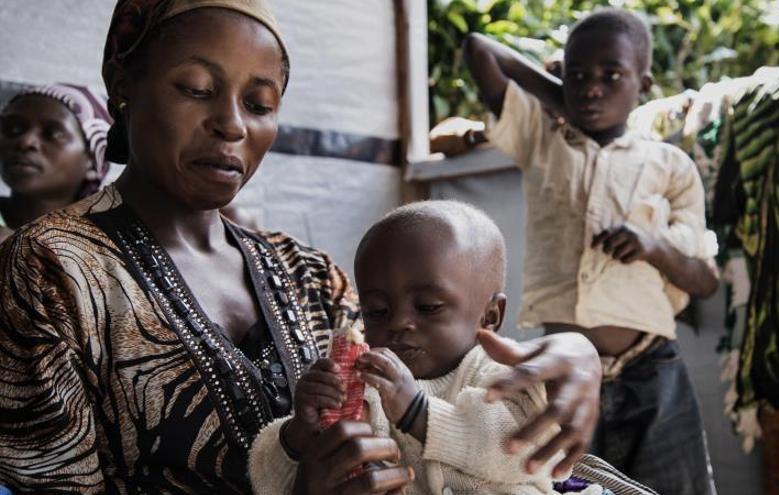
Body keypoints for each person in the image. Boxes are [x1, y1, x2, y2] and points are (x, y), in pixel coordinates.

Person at [0, 1, 603, 493]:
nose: (233, 123)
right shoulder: (54, 266)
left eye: (260, 103)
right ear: (124, 88)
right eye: (195, 88)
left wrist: (576, 356)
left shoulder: (307, 271)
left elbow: (438, 378)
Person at [463, 8, 719, 495]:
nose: (592, 88)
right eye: (579, 75)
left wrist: (652, 247)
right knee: (566, 487)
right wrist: (558, 96)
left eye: (612, 75)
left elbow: (703, 279)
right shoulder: (542, 139)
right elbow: (480, 49)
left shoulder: (670, 166)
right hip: (562, 375)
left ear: (643, 82)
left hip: (654, 373)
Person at [284, 200, 601, 495]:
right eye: (377, 311)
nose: (398, 323)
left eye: (427, 306)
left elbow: (530, 452)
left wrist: (418, 413)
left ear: (489, 317)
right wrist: (298, 437)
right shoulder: (368, 389)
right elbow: (278, 484)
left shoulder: (502, 377)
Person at [0, 84, 112, 242]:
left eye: (53, 134)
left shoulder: (104, 250)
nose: (25, 142)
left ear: (91, 160)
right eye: (13, 128)